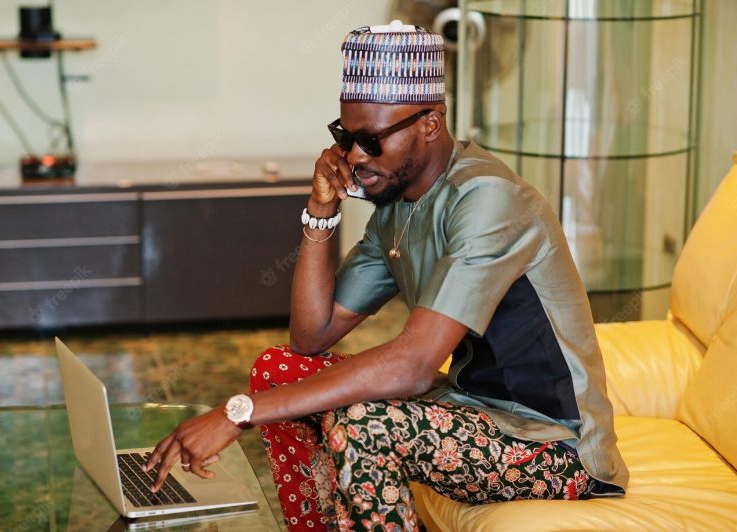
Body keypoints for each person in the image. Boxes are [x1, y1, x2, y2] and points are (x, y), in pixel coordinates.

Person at [145, 21, 628, 531]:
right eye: (346, 137)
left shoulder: (488, 200)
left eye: (371, 140)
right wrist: (321, 209)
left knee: (365, 426)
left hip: (552, 441)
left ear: (431, 124)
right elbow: (310, 337)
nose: (355, 157)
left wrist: (237, 413)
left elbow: (413, 367)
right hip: (468, 409)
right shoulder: (398, 210)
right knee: (279, 369)